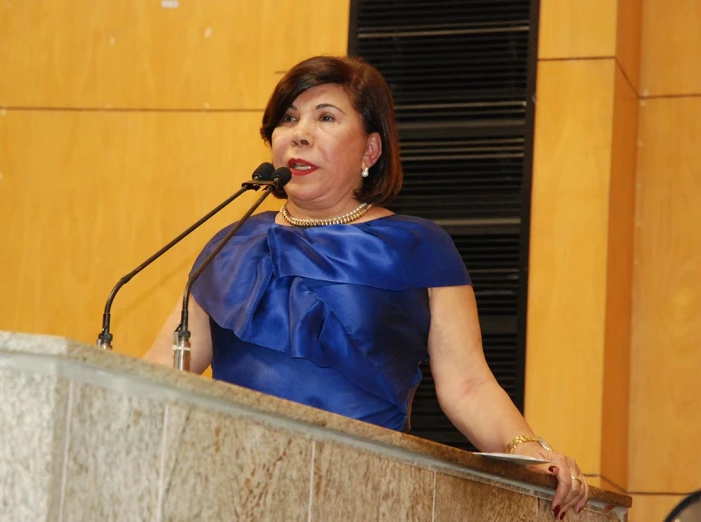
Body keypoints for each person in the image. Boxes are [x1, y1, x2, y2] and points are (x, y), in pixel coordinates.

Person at [145, 55, 588, 518]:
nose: (300, 133)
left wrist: (530, 451)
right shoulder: (233, 243)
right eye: (288, 119)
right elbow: (163, 370)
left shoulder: (418, 247)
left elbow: (469, 384)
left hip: (363, 494)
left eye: (326, 118)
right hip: (231, 490)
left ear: (370, 152)